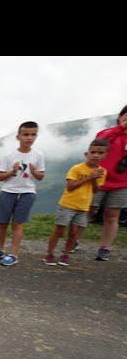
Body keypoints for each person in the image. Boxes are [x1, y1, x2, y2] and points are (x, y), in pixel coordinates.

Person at [72, 104, 127, 261]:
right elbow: (99, 142)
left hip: (122, 183)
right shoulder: (109, 133)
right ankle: (73, 241)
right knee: (87, 210)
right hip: (97, 178)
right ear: (120, 116)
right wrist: (120, 129)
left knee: (112, 215)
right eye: (125, 115)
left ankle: (105, 248)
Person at [42, 139, 108, 266]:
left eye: (100, 153)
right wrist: (89, 177)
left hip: (83, 206)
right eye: (93, 152)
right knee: (59, 230)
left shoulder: (102, 172)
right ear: (86, 154)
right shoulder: (77, 168)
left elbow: (95, 190)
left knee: (73, 233)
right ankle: (49, 254)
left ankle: (65, 255)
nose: (96, 155)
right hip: (68, 204)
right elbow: (70, 186)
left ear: (105, 155)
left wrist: (94, 179)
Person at [0, 122, 45, 266]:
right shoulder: (9, 156)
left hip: (27, 192)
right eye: (26, 134)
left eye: (33, 135)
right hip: (8, 191)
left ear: (36, 136)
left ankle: (14, 254)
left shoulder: (38, 155)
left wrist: (34, 171)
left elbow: (40, 176)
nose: (29, 138)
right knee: (2, 223)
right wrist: (12, 171)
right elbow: (0, 177)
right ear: (18, 137)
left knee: (18, 224)